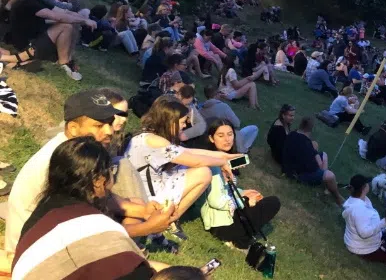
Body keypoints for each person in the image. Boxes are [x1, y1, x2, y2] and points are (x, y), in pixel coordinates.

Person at [5, 90, 173, 252]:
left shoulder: (76, 149)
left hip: (58, 229)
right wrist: (146, 228)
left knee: (135, 204)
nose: (109, 131)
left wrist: (143, 211)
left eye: (109, 123)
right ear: (73, 128)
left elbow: (100, 198)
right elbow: (81, 232)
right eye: (99, 125)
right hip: (38, 247)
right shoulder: (65, 163)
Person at [11, 137, 170, 280]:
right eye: (111, 171)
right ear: (98, 181)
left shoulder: (40, 215)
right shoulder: (95, 225)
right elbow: (137, 274)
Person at [126, 96, 241, 240]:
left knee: (194, 167)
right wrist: (221, 162)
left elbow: (189, 152)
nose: (185, 126)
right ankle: (168, 220)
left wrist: (224, 156)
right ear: (170, 121)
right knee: (204, 173)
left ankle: (169, 218)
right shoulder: (155, 141)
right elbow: (196, 160)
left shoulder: (151, 136)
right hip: (146, 197)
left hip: (145, 189)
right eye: (182, 122)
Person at [200, 119, 281, 250]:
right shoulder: (213, 165)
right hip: (221, 225)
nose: (227, 139)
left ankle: (241, 237)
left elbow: (226, 190)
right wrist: (242, 200)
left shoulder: (225, 160)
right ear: (211, 138)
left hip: (226, 217)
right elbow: (216, 201)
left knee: (258, 202)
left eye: (230, 134)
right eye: (221, 135)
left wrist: (244, 192)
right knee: (273, 203)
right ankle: (240, 240)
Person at [8, 0, 96, 80]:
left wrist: (82, 18)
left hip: (36, 36)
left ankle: (67, 57)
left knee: (72, 22)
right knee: (66, 26)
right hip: (27, 45)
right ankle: (64, 62)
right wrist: (85, 21)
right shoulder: (26, 2)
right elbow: (57, 16)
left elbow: (64, 12)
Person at [282, 116, 345, 205]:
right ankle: (338, 197)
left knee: (324, 155)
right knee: (330, 175)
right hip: (297, 174)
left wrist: (315, 153)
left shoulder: (292, 134)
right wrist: (318, 163)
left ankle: (326, 185)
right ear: (311, 129)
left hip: (289, 166)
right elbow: (312, 167)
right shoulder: (306, 145)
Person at [341, 174, 386, 266]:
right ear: (364, 188)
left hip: (358, 242)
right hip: (363, 249)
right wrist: (384, 222)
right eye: (367, 183)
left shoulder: (358, 200)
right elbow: (364, 233)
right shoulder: (358, 209)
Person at [198, 85, 259, 153]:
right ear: (216, 94)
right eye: (220, 92)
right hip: (224, 140)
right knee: (254, 128)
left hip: (208, 140)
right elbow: (237, 123)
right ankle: (244, 150)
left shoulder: (200, 109)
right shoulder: (223, 106)